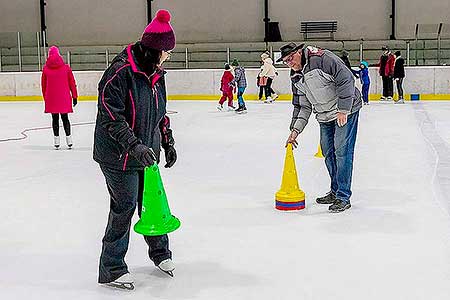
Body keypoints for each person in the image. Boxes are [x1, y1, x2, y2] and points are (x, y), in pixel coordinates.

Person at [93, 9, 178, 290]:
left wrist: (167, 139)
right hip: (117, 155)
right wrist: (134, 146)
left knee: (152, 202)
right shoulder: (119, 73)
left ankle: (160, 254)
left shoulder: (156, 73)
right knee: (126, 206)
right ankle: (112, 268)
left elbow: (159, 112)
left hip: (145, 151)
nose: (167, 57)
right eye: (166, 52)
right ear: (155, 50)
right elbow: (111, 118)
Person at [279, 42, 362, 213]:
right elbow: (302, 106)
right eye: (286, 62)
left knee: (342, 151)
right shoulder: (296, 77)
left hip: (345, 110)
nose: (290, 63)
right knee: (327, 152)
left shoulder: (322, 59)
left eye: (291, 58)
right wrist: (295, 131)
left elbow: (345, 78)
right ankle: (335, 190)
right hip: (324, 116)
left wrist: (343, 109)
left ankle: (343, 196)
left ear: (299, 52)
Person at [41, 46, 78, 149]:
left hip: (51, 98)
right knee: (65, 118)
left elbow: (43, 86)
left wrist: (46, 98)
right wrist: (74, 96)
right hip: (64, 98)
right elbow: (72, 83)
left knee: (55, 118)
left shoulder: (45, 69)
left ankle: (56, 141)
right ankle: (69, 139)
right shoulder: (66, 68)